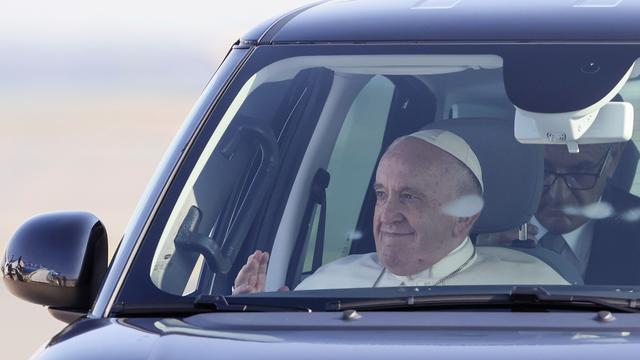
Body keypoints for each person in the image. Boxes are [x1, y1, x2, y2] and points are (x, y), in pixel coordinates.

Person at [233, 129, 568, 294]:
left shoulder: (536, 289)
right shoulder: (326, 285)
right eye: (381, 194)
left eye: (409, 196)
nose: (386, 214)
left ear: (465, 216)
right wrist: (260, 321)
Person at [478, 142, 640, 284]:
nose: (558, 196)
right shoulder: (469, 226)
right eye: (543, 170)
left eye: (580, 172)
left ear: (614, 156)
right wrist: (475, 257)